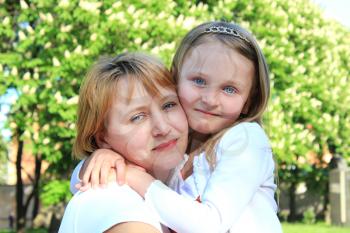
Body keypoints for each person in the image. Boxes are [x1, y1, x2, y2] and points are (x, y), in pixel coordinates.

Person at [74, 21, 282, 233]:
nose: (210, 99)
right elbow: (83, 183)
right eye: (199, 81)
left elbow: (210, 225)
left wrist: (132, 175)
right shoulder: (179, 153)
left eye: (229, 89)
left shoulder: (245, 139)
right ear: (176, 79)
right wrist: (102, 159)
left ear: (248, 100)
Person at [58, 52, 189, 233]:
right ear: (103, 138)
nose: (163, 128)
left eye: (169, 105)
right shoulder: (111, 200)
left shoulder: (196, 170)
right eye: (137, 117)